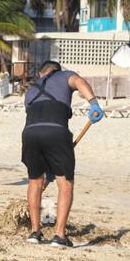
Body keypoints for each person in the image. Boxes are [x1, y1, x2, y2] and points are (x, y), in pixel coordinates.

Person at [22, 61, 103, 247]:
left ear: (41, 73)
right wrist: (93, 103)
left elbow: (40, 116)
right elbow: (79, 81)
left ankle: (35, 232)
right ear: (55, 71)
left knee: (35, 181)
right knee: (64, 183)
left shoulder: (30, 91)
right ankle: (59, 235)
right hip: (56, 132)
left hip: (29, 133)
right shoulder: (64, 75)